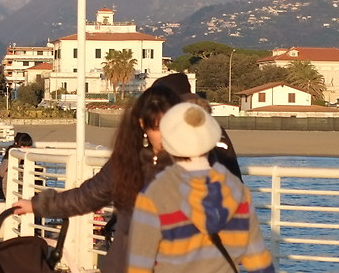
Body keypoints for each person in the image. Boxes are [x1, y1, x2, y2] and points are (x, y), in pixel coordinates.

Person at [12, 85, 179, 273]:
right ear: (142, 124)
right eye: (157, 127)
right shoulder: (127, 163)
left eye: (171, 126)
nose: (165, 135)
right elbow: (86, 196)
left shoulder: (195, 165)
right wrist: (37, 205)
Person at [115, 103, 275, 273]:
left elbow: (139, 266)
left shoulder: (155, 195)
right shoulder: (238, 192)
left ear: (168, 142)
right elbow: (259, 263)